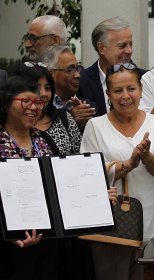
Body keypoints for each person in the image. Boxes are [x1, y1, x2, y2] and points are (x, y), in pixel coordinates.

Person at [80, 63, 154, 280]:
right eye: (118, 90)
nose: (125, 96)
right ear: (108, 94)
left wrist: (147, 158)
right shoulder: (95, 126)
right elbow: (88, 177)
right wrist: (127, 165)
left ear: (141, 90)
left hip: (152, 218)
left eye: (131, 89)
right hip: (112, 226)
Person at [0, 75, 57, 279]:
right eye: (26, 101)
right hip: (8, 250)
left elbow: (62, 183)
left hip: (47, 243)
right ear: (6, 103)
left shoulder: (44, 140)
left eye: (38, 102)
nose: (34, 107)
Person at [78, 17, 147, 116]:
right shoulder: (81, 82)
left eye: (130, 44)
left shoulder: (145, 77)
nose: (129, 51)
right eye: (122, 46)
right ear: (102, 48)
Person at [16, 62, 81, 155]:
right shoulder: (9, 127)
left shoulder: (65, 119)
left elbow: (82, 160)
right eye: (36, 88)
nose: (43, 94)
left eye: (47, 88)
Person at [43, 46, 96, 131]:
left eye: (77, 69)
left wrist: (85, 124)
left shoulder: (88, 108)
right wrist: (68, 119)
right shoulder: (42, 107)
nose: (78, 75)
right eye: (70, 70)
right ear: (51, 73)